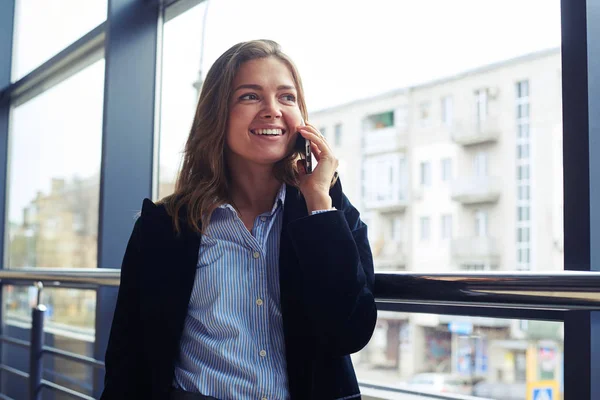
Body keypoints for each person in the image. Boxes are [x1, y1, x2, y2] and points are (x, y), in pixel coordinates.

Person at [100, 39, 377, 400]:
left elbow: (349, 333)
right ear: (217, 114)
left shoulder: (328, 213)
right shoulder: (164, 225)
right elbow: (128, 356)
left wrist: (319, 203)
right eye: (250, 96)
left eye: (287, 97)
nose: (272, 110)